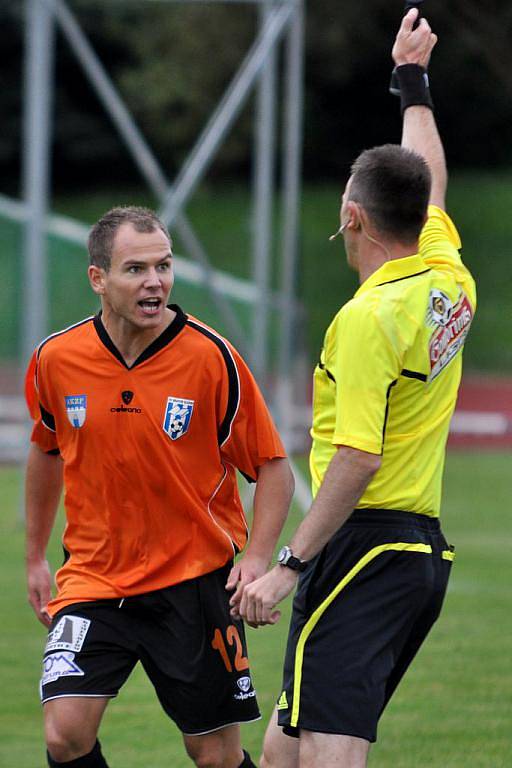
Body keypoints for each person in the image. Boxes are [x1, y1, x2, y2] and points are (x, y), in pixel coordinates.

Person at [235, 9, 476, 768]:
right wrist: (413, 84)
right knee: (286, 748)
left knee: (327, 752)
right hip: (411, 554)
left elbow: (358, 458)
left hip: (364, 549)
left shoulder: (368, 318)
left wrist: (288, 567)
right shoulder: (446, 274)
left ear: (352, 218)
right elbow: (425, 173)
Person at [25, 205, 295, 768]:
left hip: (193, 581)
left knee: (214, 755)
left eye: (164, 266)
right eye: (136, 269)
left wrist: (259, 556)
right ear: (98, 278)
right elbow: (46, 450)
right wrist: (34, 556)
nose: (155, 282)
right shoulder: (56, 358)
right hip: (94, 578)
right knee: (64, 735)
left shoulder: (211, 357)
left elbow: (273, 467)